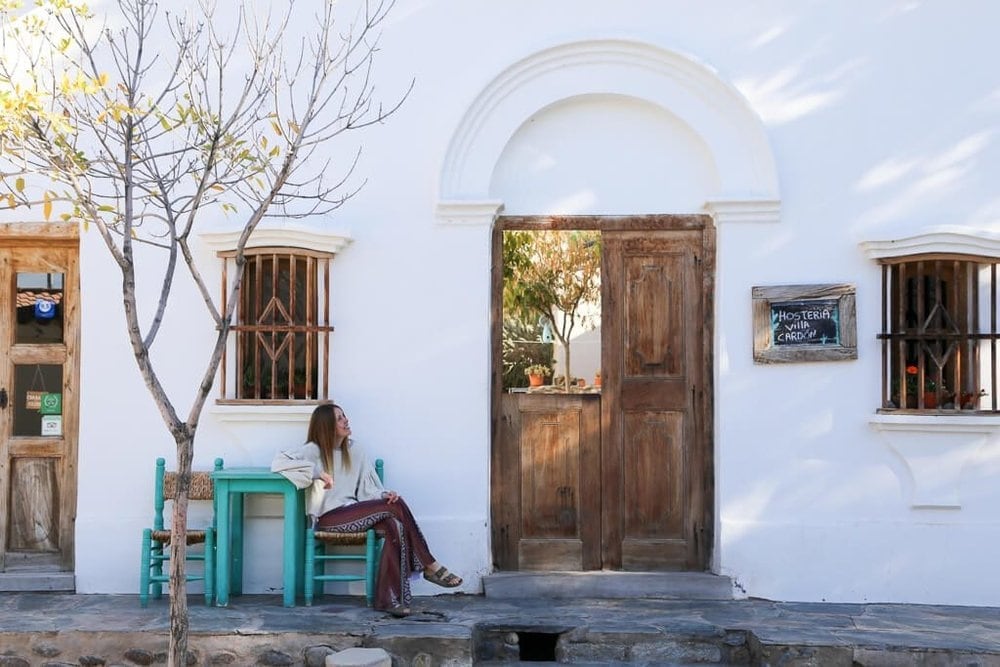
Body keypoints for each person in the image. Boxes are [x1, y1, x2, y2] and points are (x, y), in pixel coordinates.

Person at [280, 403, 462, 617]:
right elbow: (280, 462)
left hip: (354, 511)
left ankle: (389, 600)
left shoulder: (355, 450)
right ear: (327, 426)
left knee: (395, 524)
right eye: (339, 418)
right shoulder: (314, 450)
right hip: (328, 518)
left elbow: (367, 490)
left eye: (344, 416)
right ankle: (429, 564)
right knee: (395, 509)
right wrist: (319, 473)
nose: (345, 420)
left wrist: (382, 495)